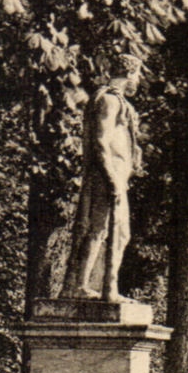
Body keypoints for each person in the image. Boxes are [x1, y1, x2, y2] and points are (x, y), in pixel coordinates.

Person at [61, 54, 143, 301]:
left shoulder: (117, 101)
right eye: (137, 74)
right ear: (129, 74)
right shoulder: (109, 100)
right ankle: (81, 285)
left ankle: (104, 286)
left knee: (117, 233)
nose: (137, 80)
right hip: (107, 175)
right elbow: (100, 140)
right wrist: (110, 177)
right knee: (99, 229)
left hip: (116, 175)